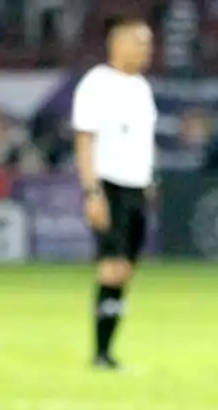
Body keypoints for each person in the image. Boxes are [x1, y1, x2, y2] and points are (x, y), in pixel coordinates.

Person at [72, 15, 157, 370]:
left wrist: (150, 182)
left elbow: (142, 141)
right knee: (111, 267)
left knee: (126, 269)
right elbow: (84, 139)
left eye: (148, 43)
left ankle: (108, 351)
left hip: (137, 186)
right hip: (109, 185)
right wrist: (92, 192)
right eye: (139, 41)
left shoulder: (141, 86)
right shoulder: (97, 83)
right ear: (116, 43)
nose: (146, 49)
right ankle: (101, 352)